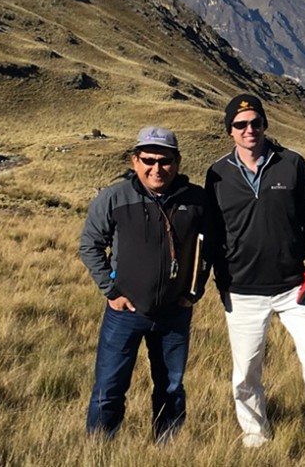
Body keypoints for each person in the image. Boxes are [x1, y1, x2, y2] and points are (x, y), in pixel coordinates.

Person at [204, 94, 305, 465]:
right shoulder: (217, 174)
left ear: (264, 125)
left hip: (294, 288)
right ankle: (255, 438)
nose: (249, 130)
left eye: (255, 122)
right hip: (242, 292)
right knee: (246, 373)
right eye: (240, 125)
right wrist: (218, 281)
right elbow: (209, 232)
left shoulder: (291, 164)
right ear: (230, 131)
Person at [79, 126, 209, 441]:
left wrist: (194, 291)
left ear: (177, 161)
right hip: (124, 313)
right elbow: (90, 246)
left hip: (174, 315)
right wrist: (111, 291)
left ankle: (167, 449)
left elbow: (210, 250)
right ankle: (99, 451)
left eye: (164, 161)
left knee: (171, 387)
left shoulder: (197, 201)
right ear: (135, 160)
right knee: (109, 388)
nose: (156, 168)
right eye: (148, 160)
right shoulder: (115, 197)